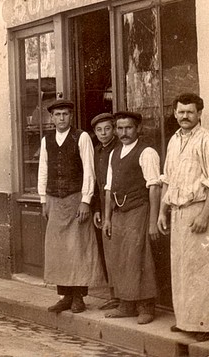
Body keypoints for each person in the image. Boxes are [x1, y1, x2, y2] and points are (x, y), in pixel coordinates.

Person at [158, 93, 209, 341]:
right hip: (178, 213)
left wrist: (204, 215)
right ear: (175, 113)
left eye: (189, 112)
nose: (184, 116)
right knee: (182, 269)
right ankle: (188, 320)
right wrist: (162, 211)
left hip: (200, 211)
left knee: (204, 269)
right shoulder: (174, 141)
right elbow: (167, 178)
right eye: (180, 112)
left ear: (199, 113)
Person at [38, 99, 104, 314]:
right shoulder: (46, 140)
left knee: (78, 248)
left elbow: (89, 170)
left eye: (65, 114)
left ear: (71, 116)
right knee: (58, 250)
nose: (61, 118)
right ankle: (64, 295)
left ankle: (78, 297)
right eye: (57, 115)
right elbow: (43, 169)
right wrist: (43, 199)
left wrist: (86, 200)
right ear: (52, 118)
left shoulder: (81, 137)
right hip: (54, 199)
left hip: (76, 197)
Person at [102, 111, 160, 324]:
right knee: (120, 256)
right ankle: (126, 304)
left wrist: (153, 221)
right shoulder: (114, 153)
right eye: (120, 128)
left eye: (128, 128)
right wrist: (107, 218)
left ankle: (146, 306)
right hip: (118, 213)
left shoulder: (147, 152)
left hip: (139, 210)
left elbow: (154, 188)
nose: (123, 132)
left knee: (139, 256)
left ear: (138, 129)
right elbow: (109, 188)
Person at [90, 112, 120, 311]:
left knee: (120, 252)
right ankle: (113, 293)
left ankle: (122, 294)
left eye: (107, 129)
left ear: (114, 129)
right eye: (99, 130)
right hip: (103, 206)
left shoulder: (119, 149)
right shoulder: (97, 151)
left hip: (120, 206)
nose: (103, 133)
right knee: (106, 251)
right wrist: (97, 209)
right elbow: (96, 182)